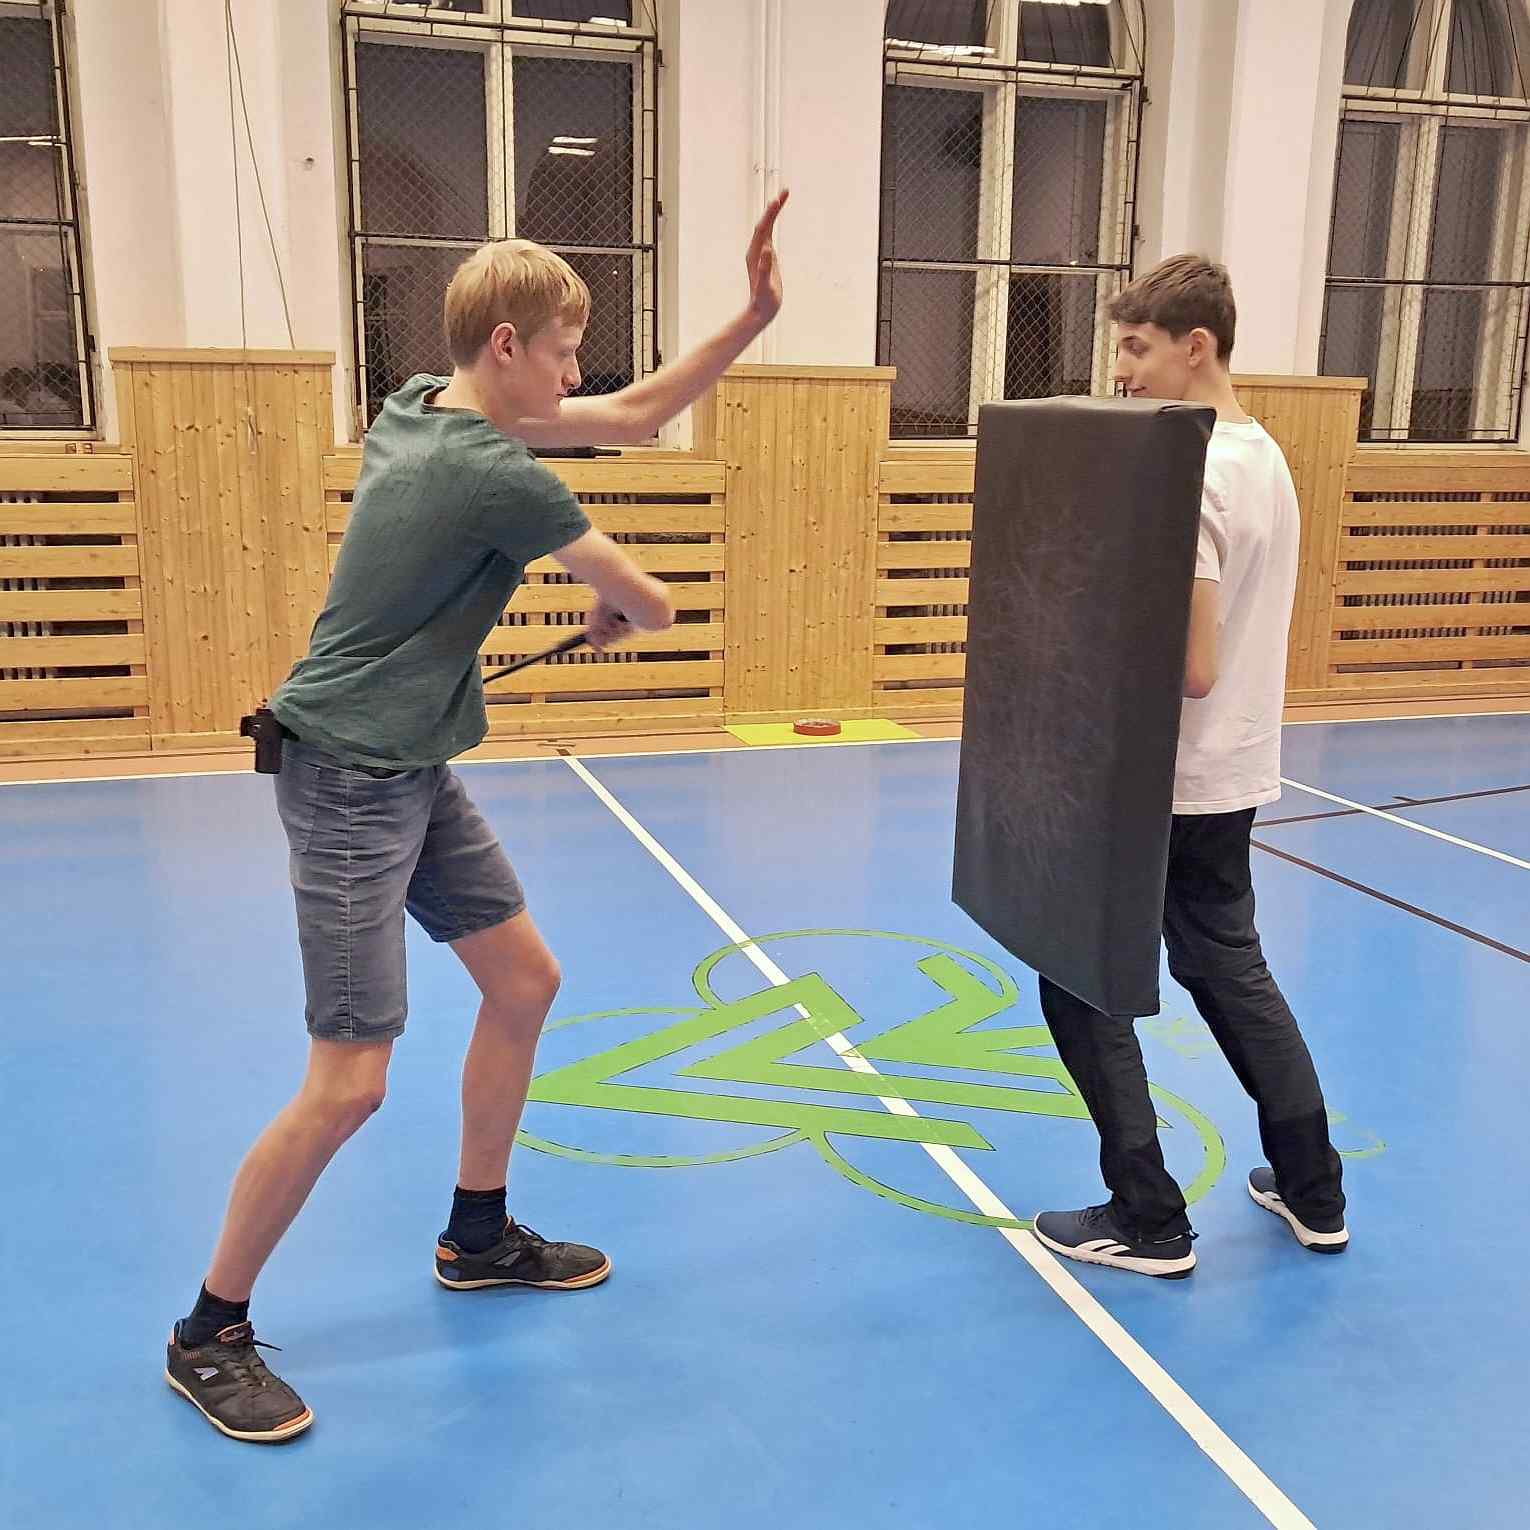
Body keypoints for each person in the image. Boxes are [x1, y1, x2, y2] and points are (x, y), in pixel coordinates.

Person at [165, 193, 790, 1441]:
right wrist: (622, 606)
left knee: (523, 980)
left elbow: (636, 416)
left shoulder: (416, 404)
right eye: (563, 349)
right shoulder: (491, 469)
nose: (576, 374)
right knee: (349, 1083)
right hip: (350, 777)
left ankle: (478, 1234)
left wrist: (754, 317)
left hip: (411, 764)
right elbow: (653, 599)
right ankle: (206, 1331)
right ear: (507, 345)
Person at [1031, 255, 1348, 1280]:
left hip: (1158, 778)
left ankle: (1147, 1218)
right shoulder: (1263, 453)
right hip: (1233, 772)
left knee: (1080, 981)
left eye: (1136, 348)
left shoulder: (1194, 472)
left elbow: (1191, 666)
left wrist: (1066, 643)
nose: (1121, 371)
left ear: (1195, 345)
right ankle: (1313, 1189)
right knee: (1227, 969)